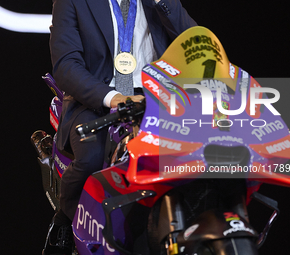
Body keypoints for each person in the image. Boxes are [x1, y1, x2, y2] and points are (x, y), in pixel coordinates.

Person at [42, 0, 197, 254]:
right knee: (92, 159)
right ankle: (66, 219)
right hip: (96, 99)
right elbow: (66, 65)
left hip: (156, 100)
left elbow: (197, 48)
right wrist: (113, 97)